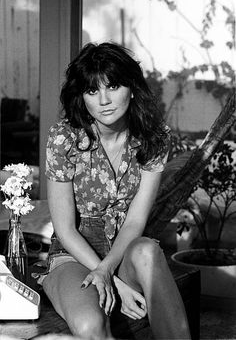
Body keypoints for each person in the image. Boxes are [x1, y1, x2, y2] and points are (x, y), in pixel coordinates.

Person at [41, 42, 191, 340]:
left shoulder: (153, 137)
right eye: (92, 91)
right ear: (82, 97)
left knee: (148, 250)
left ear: (132, 88)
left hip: (125, 251)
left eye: (114, 86)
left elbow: (135, 222)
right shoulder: (64, 138)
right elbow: (65, 229)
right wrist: (108, 278)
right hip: (74, 254)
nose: (104, 100)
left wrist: (109, 271)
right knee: (89, 325)